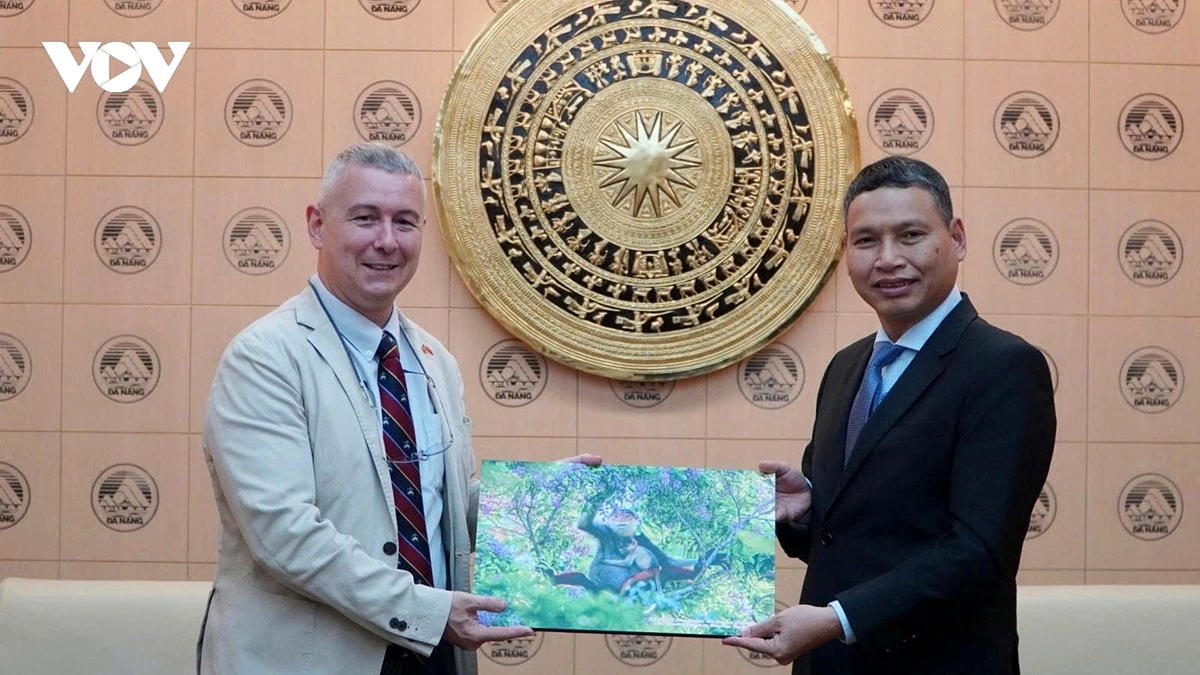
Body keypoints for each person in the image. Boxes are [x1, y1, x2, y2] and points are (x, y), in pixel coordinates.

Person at [198, 142, 598, 675]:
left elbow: (435, 506)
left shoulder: (436, 362)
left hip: (432, 656)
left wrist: (532, 500)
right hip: (312, 658)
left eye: (405, 222)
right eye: (365, 218)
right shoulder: (265, 357)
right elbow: (284, 534)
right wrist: (426, 611)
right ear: (317, 225)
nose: (386, 241)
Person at [724, 157, 1056, 674]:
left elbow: (978, 552)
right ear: (845, 253)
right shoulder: (847, 366)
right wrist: (808, 510)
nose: (888, 259)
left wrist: (837, 620)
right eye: (866, 241)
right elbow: (859, 538)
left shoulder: (1004, 367)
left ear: (958, 239)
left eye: (910, 235)